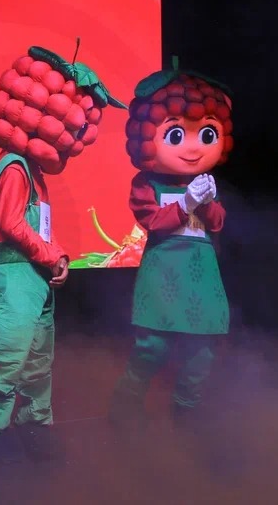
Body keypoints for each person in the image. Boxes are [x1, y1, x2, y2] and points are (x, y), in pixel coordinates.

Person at [0, 44, 126, 460]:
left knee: (35, 360)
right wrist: (50, 256)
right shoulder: (15, 166)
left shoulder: (31, 170)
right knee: (5, 359)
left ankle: (33, 426)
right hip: (12, 275)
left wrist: (57, 255)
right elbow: (12, 224)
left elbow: (35, 229)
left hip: (31, 276)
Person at [108, 65, 233, 431]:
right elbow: (152, 221)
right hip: (163, 275)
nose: (193, 147)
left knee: (201, 351)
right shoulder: (146, 183)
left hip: (201, 275)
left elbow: (218, 222)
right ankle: (125, 409)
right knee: (152, 347)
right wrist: (186, 203)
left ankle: (185, 413)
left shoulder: (205, 181)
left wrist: (206, 202)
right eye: (177, 134)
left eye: (206, 134)